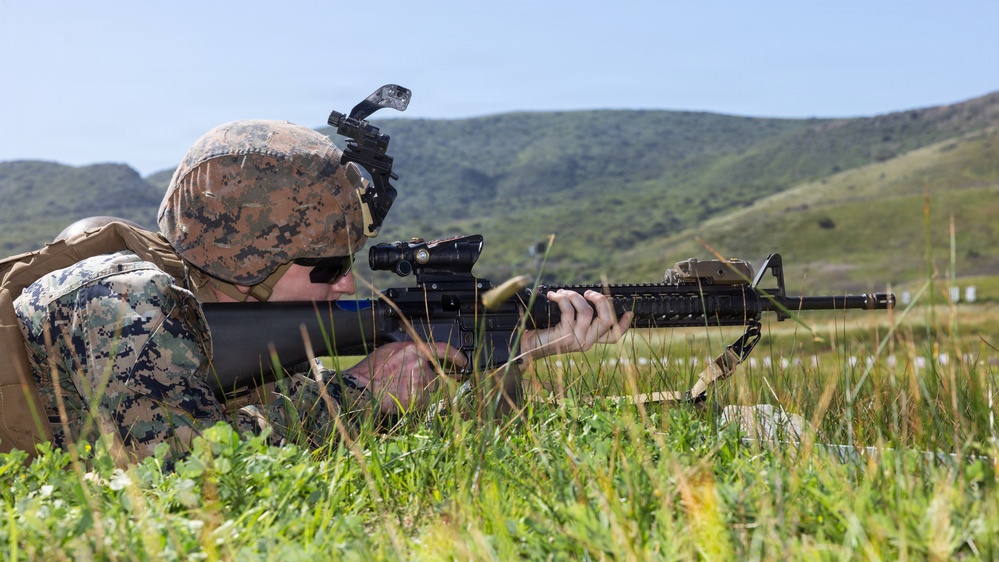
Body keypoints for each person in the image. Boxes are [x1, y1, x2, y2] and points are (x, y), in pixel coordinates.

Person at [6, 119, 630, 466]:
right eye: (329, 266)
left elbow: (324, 431)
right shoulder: (125, 302)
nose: (350, 284)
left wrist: (519, 347)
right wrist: (361, 390)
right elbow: (181, 474)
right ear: (247, 258)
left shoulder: (238, 338)